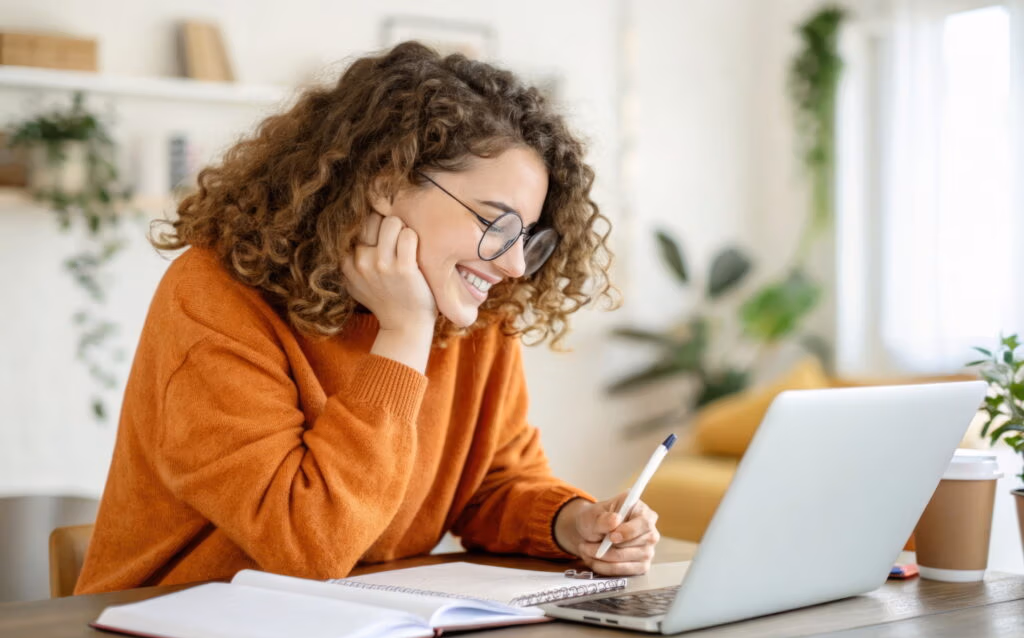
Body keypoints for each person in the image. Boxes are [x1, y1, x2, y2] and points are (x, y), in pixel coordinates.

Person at [75, 41, 660, 595]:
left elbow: (490, 483)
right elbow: (308, 546)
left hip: (353, 633)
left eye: (527, 237)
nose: (512, 264)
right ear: (385, 181)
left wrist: (573, 521)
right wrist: (403, 335)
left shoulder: (477, 315)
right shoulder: (215, 297)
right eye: (493, 222)